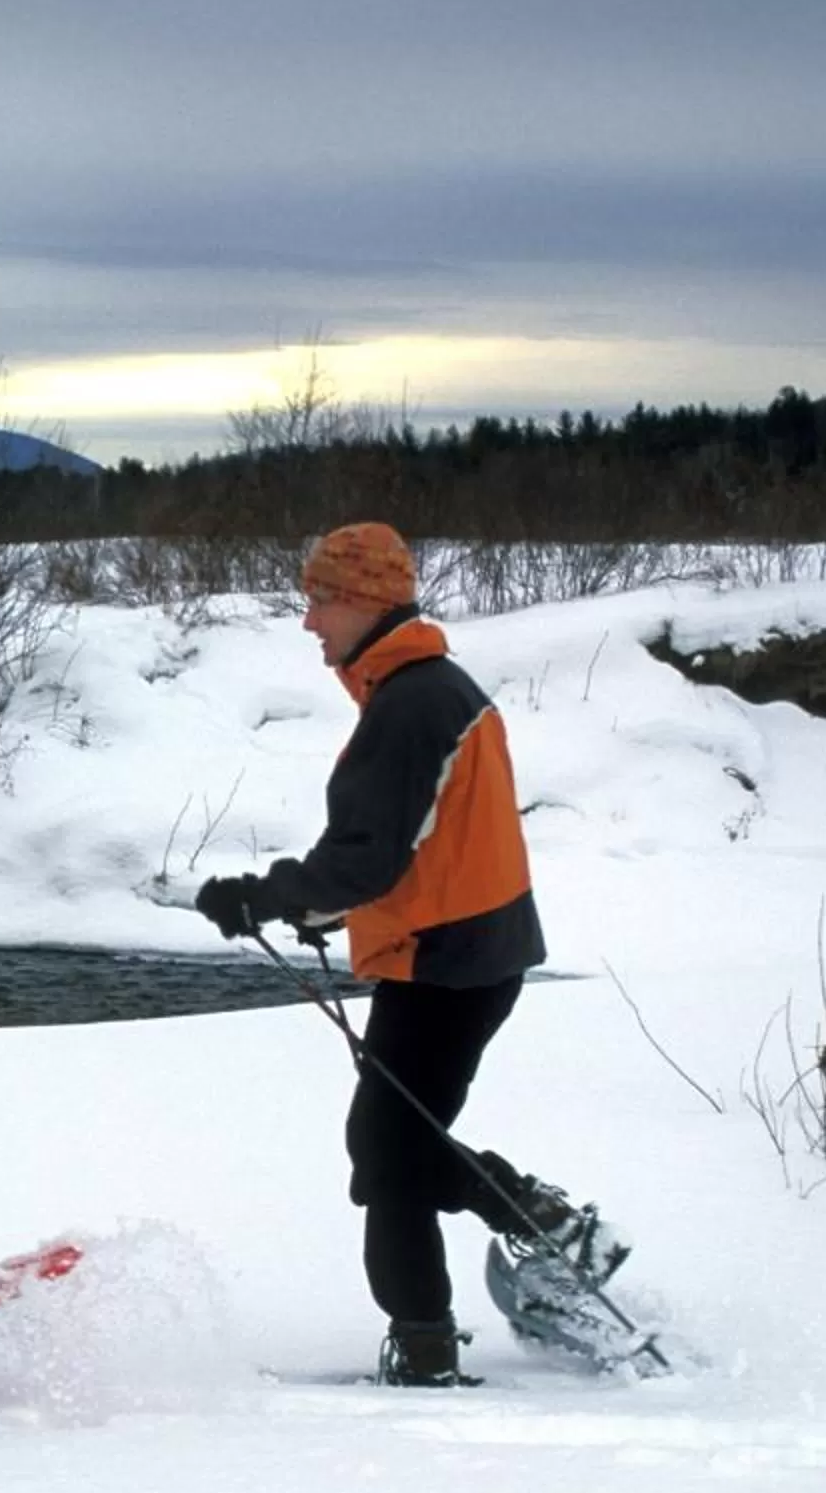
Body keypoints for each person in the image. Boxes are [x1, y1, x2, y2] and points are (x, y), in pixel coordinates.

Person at [194, 522, 595, 1386]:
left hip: (446, 962)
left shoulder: (412, 704)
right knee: (394, 1146)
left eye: (320, 601)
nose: (309, 621)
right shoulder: (430, 689)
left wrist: (264, 896)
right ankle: (497, 1260)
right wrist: (331, 909)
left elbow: (367, 858)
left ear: (366, 601)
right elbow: (422, 844)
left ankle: (442, 1328)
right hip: (466, 950)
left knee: (388, 1154)